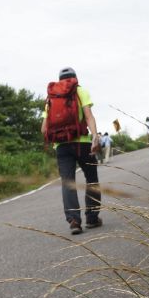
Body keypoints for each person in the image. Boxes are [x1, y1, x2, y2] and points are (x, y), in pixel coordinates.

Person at [42, 67, 102, 235]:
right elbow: (88, 115)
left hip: (61, 146)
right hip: (82, 143)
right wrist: (95, 136)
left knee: (68, 182)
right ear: (75, 78)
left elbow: (43, 128)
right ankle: (92, 218)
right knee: (92, 179)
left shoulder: (51, 97)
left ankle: (74, 221)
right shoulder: (80, 91)